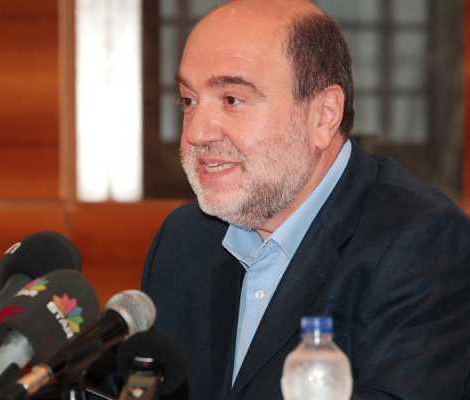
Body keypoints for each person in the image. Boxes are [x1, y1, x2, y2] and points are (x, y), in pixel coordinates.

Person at [141, 0, 470, 399]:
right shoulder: (184, 240)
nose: (196, 133)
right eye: (188, 101)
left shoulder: (424, 246)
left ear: (324, 115)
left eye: (231, 100)